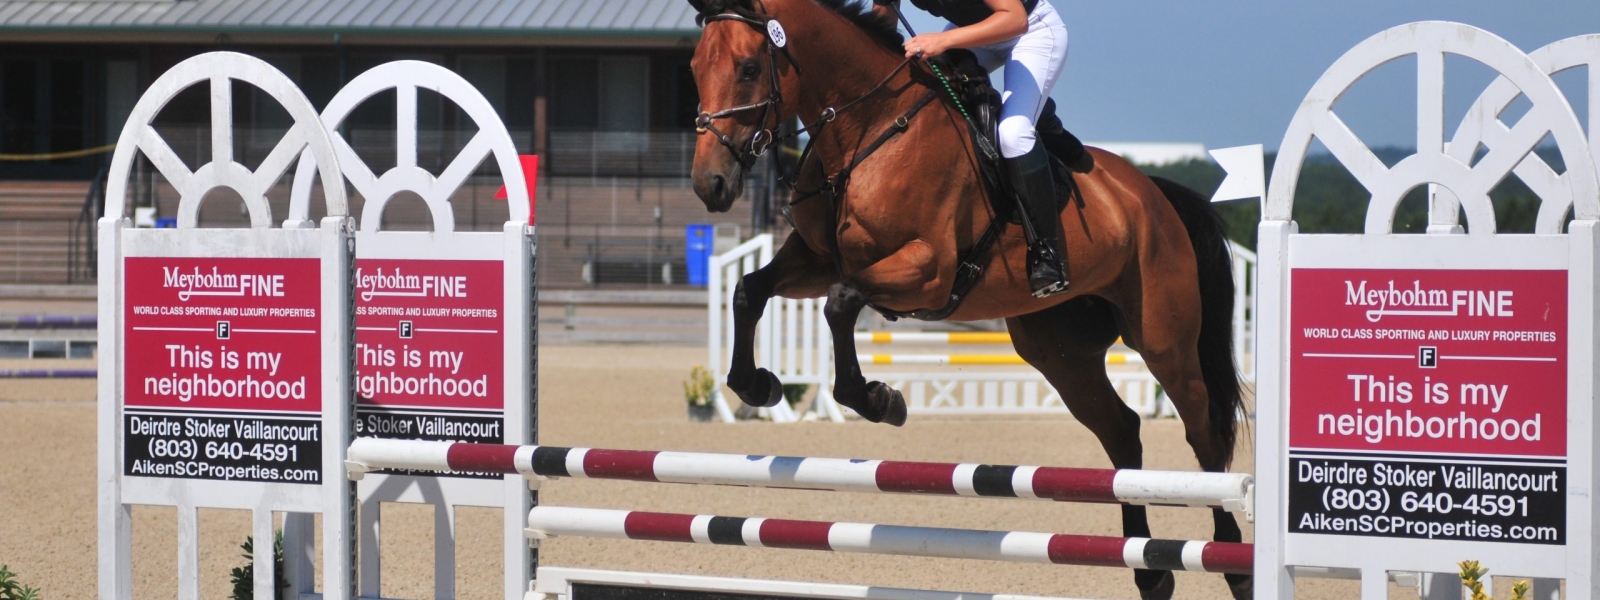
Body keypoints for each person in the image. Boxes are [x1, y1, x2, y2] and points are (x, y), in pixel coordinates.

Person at [873, 0, 1070, 298]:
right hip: (977, 33)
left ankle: (1047, 253)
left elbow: (1015, 19)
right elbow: (883, 19)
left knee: (1012, 134)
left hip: (1031, 30)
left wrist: (942, 40)